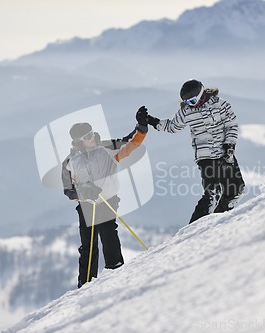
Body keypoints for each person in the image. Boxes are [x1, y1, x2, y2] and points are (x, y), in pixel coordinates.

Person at [61, 106, 149, 288]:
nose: (92, 138)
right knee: (88, 244)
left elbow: (130, 143)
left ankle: (115, 269)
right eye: (87, 137)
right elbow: (68, 190)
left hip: (108, 200)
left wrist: (141, 127)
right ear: (77, 142)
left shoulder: (107, 148)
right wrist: (84, 193)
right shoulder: (69, 162)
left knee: (108, 232)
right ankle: (85, 283)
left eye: (92, 133)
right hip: (87, 204)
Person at [145, 79, 245, 224]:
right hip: (205, 156)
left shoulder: (220, 104)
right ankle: (193, 228)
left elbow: (232, 125)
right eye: (186, 102)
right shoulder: (186, 111)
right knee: (213, 193)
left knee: (236, 190)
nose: (189, 105)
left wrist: (229, 147)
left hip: (224, 152)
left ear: (200, 94)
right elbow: (173, 127)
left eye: (192, 101)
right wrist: (152, 121)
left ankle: (219, 220)